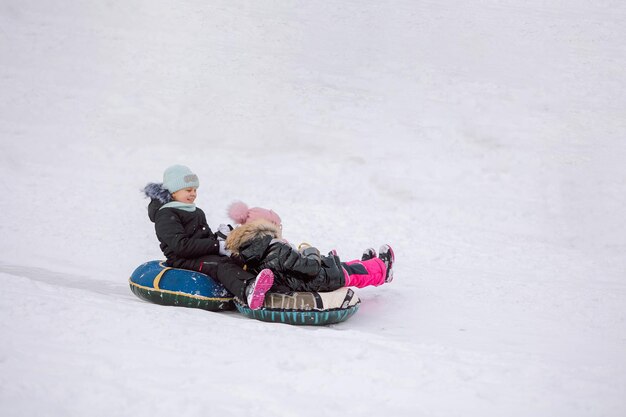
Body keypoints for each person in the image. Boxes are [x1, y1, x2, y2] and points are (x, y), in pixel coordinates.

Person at [143, 165, 273, 310]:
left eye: (195, 190)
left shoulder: (196, 212)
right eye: (188, 190)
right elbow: (181, 246)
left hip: (200, 255)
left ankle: (266, 285)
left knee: (236, 259)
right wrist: (217, 246)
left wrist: (222, 239)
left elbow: (206, 237)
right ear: (173, 192)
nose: (193, 194)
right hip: (182, 260)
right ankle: (248, 290)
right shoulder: (166, 215)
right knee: (219, 265)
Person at [224, 201, 395, 305]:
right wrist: (310, 251)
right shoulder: (275, 248)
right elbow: (311, 267)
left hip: (297, 280)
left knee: (342, 266)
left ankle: (368, 265)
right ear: (267, 227)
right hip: (312, 280)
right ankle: (382, 271)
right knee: (349, 273)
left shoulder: (251, 251)